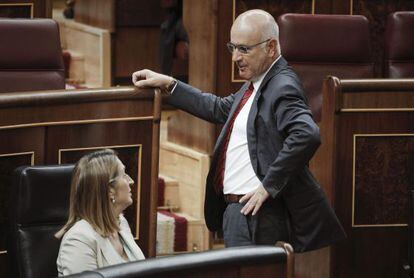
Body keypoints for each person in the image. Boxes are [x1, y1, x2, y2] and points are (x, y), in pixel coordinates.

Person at [132, 9, 346, 252]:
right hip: (242, 214)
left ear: (271, 47)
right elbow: (219, 107)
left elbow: (307, 134)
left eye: (244, 49)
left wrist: (268, 185)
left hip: (255, 216)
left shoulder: (282, 86)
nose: (235, 57)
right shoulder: (258, 84)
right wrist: (169, 83)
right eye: (232, 47)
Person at [55, 149, 145, 276]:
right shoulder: (79, 240)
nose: (131, 181)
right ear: (110, 191)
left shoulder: (120, 223)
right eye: (124, 175)